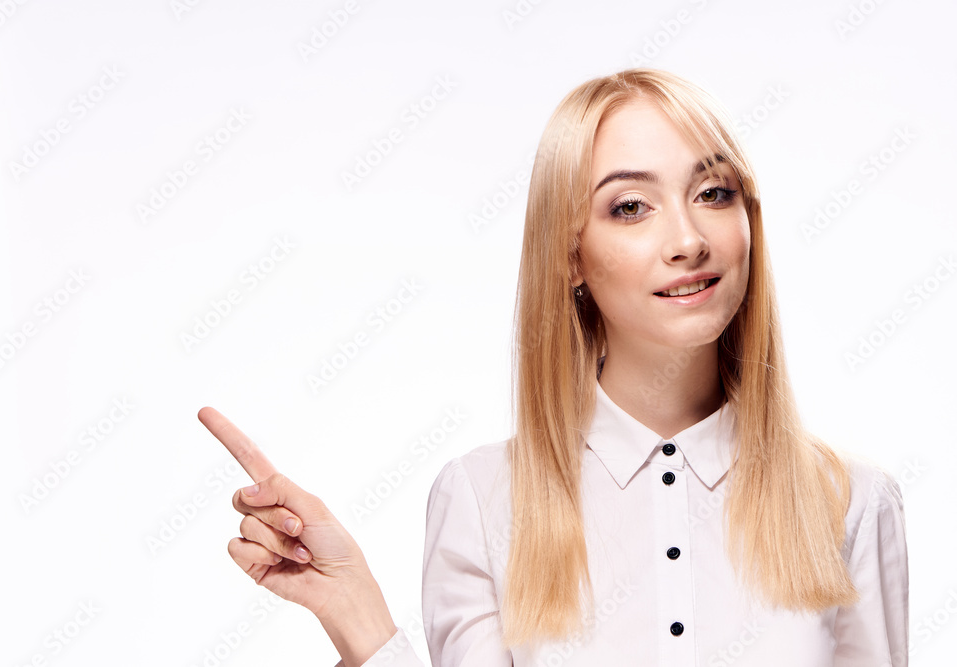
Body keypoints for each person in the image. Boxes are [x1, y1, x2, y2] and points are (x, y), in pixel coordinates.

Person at [199, 68, 909, 666]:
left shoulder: (853, 501)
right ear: (571, 255)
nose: (688, 239)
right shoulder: (482, 500)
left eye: (713, 192)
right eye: (631, 206)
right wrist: (355, 613)